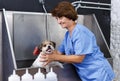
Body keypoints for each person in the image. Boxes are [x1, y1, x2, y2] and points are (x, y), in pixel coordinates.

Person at [40, 1, 115, 81]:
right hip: (87, 75)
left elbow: (79, 58)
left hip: (99, 73)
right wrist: (45, 51)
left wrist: (54, 57)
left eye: (61, 18)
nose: (59, 22)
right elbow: (59, 53)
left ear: (69, 15)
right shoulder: (67, 35)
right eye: (57, 18)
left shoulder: (80, 32)